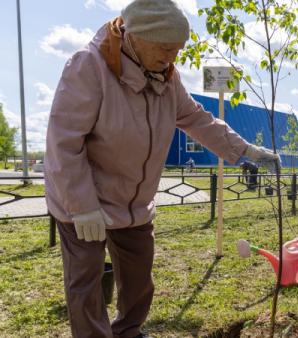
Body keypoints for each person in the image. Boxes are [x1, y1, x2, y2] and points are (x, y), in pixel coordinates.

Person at [44, 1, 280, 337]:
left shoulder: (168, 78)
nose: (172, 57)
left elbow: (200, 120)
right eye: (166, 48)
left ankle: (128, 331)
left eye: (178, 49)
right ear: (136, 37)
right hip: (83, 200)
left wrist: (247, 151)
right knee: (87, 285)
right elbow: (64, 141)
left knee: (139, 279)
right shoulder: (89, 66)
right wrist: (82, 207)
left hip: (133, 202)